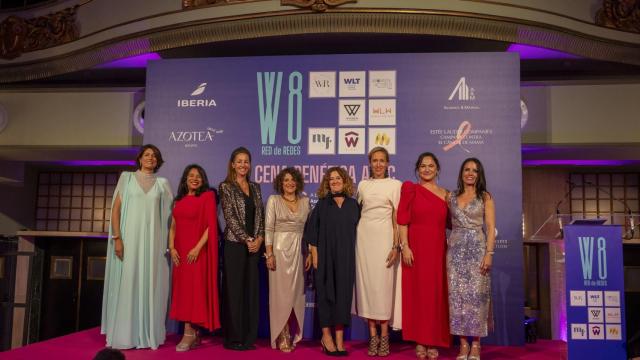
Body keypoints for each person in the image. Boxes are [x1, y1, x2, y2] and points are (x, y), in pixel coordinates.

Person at [101, 144, 173, 349]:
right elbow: (115, 210)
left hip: (154, 245)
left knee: (150, 284)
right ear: (140, 159)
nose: (151, 158)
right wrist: (117, 238)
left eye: (155, 156)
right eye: (147, 155)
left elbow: (172, 218)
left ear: (158, 161)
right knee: (129, 282)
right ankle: (125, 335)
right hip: (128, 241)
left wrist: (171, 244)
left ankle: (147, 334)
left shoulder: (163, 183)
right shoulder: (127, 178)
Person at [398, 152, 451, 359]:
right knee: (419, 296)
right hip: (416, 249)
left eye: (430, 166)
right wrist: (405, 246)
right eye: (422, 166)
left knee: (436, 296)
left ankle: (433, 340)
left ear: (437, 168)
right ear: (417, 169)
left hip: (438, 250)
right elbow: (402, 219)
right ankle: (420, 340)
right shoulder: (410, 189)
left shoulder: (447, 195)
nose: (427, 169)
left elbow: (453, 223)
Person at [305, 166, 360, 356]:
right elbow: (312, 233)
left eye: (338, 178)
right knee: (326, 297)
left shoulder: (354, 205)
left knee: (343, 298)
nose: (335, 181)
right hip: (325, 258)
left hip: (346, 259)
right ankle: (326, 337)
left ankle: (339, 339)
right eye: (331, 179)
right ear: (327, 183)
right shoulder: (321, 205)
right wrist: (315, 256)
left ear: (345, 181)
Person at [353, 147, 402, 357]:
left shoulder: (395, 185)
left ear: (388, 163)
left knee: (383, 289)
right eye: (375, 160)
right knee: (367, 288)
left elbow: (397, 219)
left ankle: (385, 337)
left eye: (382, 160)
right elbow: (358, 212)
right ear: (370, 163)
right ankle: (372, 337)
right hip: (363, 240)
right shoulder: (362, 185)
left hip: (385, 240)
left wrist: (395, 246)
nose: (379, 164)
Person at [447, 158, 496, 360]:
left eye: (474, 170)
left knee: (477, 297)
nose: (470, 173)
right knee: (456, 297)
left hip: (477, 249)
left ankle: (476, 344)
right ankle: (463, 344)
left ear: (479, 174)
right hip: (455, 252)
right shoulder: (450, 196)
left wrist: (489, 253)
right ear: (461, 173)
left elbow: (491, 228)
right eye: (467, 169)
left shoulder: (485, 197)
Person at [168, 164, 220, 351]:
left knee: (194, 291)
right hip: (180, 254)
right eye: (191, 175)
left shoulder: (207, 197)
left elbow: (210, 226)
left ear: (203, 180)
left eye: (198, 176)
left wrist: (197, 248)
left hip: (196, 253)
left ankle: (189, 333)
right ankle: (195, 333)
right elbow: (173, 226)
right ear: (185, 179)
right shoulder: (178, 201)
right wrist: (172, 247)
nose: (195, 178)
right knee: (183, 291)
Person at [219, 147, 265, 351]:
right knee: (234, 291)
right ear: (232, 164)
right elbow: (230, 217)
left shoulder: (255, 187)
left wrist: (259, 239)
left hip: (254, 247)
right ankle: (234, 338)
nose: (243, 165)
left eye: (246, 161)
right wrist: (247, 239)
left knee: (251, 291)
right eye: (239, 161)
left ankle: (248, 337)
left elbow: (260, 216)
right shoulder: (226, 186)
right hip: (234, 246)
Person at [264, 167, 311, 352]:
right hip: (279, 250)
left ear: (298, 182)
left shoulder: (306, 202)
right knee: (280, 295)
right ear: (280, 183)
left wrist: (308, 253)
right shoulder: (274, 201)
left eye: (293, 180)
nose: (290, 183)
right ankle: (282, 334)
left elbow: (309, 231)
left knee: (296, 295)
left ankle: (293, 331)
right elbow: (268, 229)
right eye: (286, 180)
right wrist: (269, 254)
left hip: (300, 252)